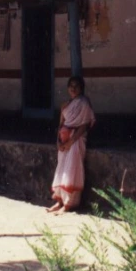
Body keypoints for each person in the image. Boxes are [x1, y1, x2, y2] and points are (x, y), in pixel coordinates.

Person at [47, 76, 95, 214]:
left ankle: (68, 204)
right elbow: (61, 124)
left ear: (81, 88)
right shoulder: (66, 105)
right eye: (71, 86)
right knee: (62, 169)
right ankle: (59, 201)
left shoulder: (84, 103)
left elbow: (84, 125)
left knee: (72, 170)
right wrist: (59, 141)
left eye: (76, 86)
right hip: (64, 139)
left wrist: (71, 141)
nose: (73, 89)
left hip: (76, 140)